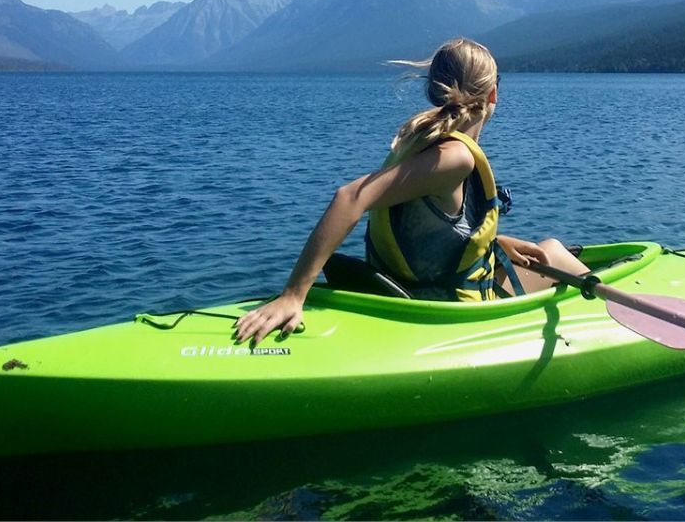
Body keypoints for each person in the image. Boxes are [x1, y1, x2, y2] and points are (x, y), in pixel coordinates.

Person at [234, 38, 590, 346]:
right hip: (444, 311)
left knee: (539, 252)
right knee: (554, 252)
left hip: (416, 290)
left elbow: (429, 233)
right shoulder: (457, 157)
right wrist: (293, 296)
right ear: (493, 93)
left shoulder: (422, 141)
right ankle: (618, 328)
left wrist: (496, 244)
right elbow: (350, 198)